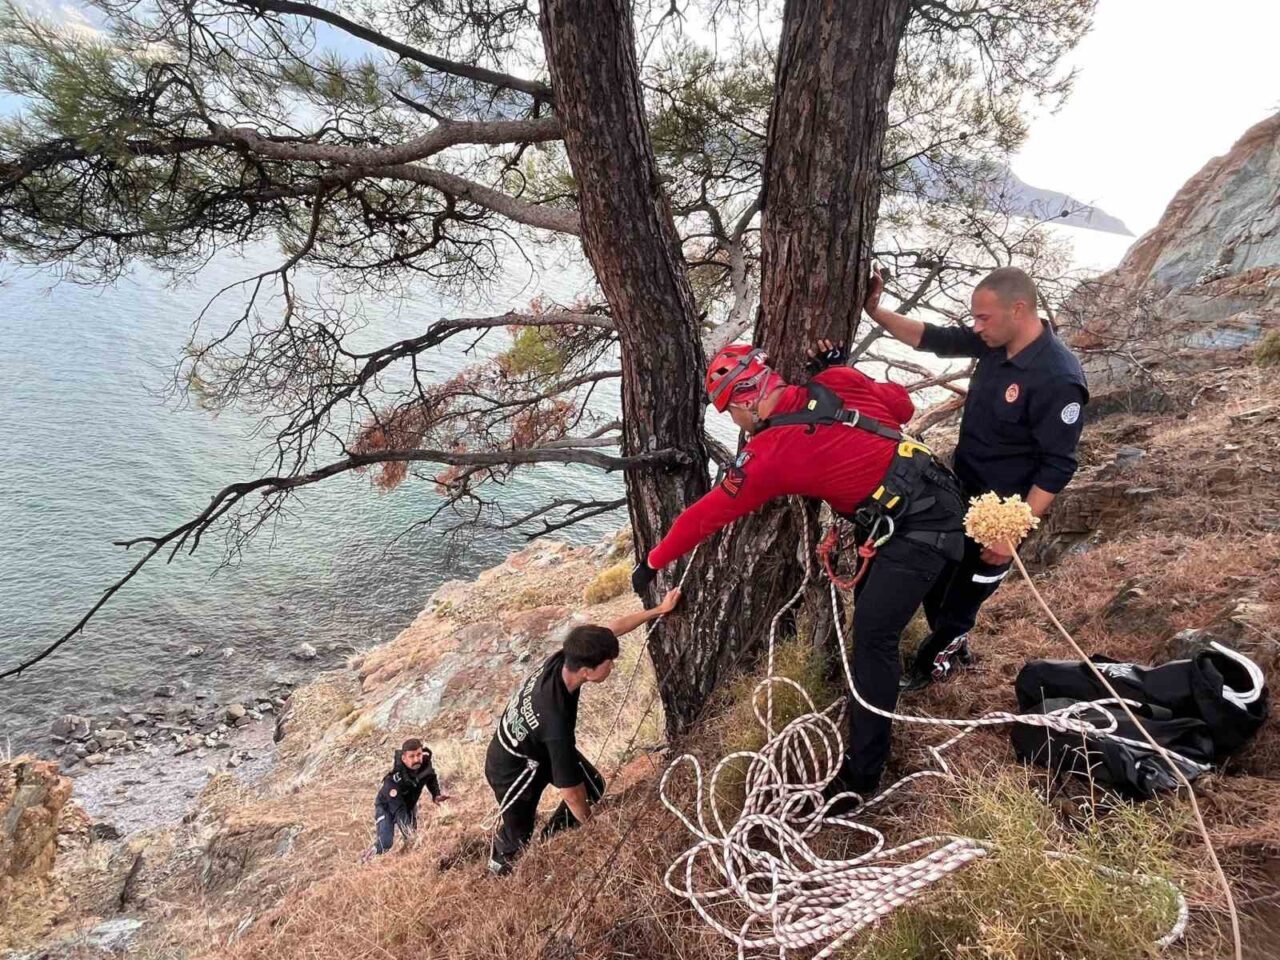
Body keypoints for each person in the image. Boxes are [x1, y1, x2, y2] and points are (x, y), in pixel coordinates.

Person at [630, 341, 966, 803]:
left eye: (731, 413)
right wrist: (846, 372)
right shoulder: (836, 381)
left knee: (873, 640)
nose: (737, 425)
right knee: (873, 619)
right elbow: (902, 406)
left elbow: (703, 517)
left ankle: (862, 776)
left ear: (746, 398)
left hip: (920, 529)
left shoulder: (769, 454)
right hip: (935, 496)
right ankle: (917, 669)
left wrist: (652, 562)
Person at [863, 265, 1088, 692]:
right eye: (975, 318)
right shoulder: (993, 342)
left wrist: (1011, 532)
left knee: (962, 601)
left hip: (1002, 514)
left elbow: (1058, 466)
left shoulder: (1058, 378)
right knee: (937, 582)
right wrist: (876, 312)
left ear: (1018, 310)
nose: (975, 326)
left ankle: (932, 669)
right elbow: (933, 338)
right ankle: (954, 648)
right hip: (958, 493)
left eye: (983, 317)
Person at [485, 588, 681, 876]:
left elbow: (612, 630)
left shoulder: (567, 658)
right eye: (609, 663)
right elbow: (571, 793)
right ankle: (499, 870)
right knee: (518, 832)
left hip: (534, 744)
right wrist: (592, 825)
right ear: (588, 671)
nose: (612, 665)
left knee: (593, 785)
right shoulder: (556, 722)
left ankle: (553, 838)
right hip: (512, 769)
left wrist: (658, 610)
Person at [373, 738, 449, 855]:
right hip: (387, 806)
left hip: (409, 805)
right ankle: (365, 860)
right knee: (385, 843)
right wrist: (408, 832)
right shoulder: (394, 780)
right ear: (404, 758)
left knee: (412, 842)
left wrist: (436, 794)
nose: (416, 759)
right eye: (411, 756)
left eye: (419, 754)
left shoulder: (425, 764)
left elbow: (430, 777)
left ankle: (407, 858)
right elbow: (399, 810)